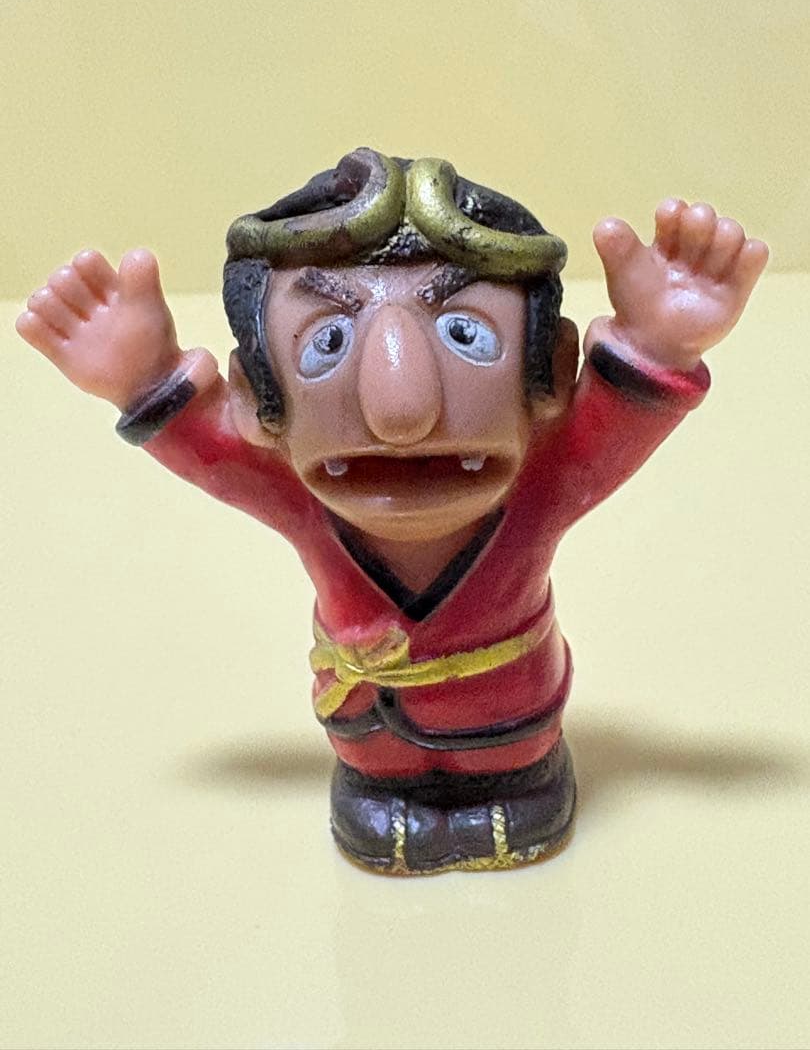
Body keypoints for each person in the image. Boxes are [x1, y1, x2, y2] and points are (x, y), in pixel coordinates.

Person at [17, 149, 768, 874]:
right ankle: (383, 792)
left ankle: (518, 790)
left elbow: (609, 433)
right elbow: (214, 454)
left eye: (465, 334)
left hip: (510, 723)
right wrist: (143, 379)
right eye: (327, 342)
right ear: (255, 397)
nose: (401, 412)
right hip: (369, 736)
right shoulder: (307, 503)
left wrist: (659, 345)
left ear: (547, 373)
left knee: (518, 797)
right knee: (378, 809)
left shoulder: (535, 493)